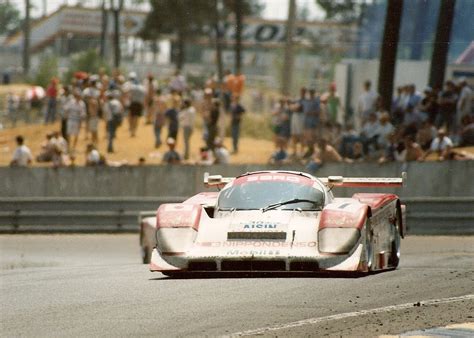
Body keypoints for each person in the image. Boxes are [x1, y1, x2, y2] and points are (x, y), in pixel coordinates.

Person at [124, 72, 146, 137]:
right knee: (136, 118)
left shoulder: (131, 86)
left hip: (133, 103)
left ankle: (131, 129)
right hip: (139, 104)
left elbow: (127, 94)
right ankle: (134, 131)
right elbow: (144, 96)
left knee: (131, 116)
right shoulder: (142, 87)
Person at [290, 87, 306, 157]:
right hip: (295, 116)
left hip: (301, 116)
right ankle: (294, 151)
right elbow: (292, 107)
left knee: (301, 134)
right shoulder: (298, 99)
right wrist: (293, 107)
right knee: (294, 134)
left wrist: (293, 107)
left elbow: (296, 107)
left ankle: (302, 151)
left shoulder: (305, 100)